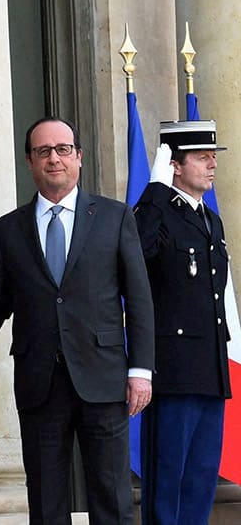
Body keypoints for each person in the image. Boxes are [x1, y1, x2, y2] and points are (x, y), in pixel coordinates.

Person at [0, 116, 155, 524]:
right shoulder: (6, 230)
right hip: (40, 383)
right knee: (46, 500)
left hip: (103, 379)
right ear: (29, 161)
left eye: (62, 150)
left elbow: (139, 297)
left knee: (112, 497)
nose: (54, 159)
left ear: (79, 158)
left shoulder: (114, 217)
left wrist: (141, 369)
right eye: (43, 152)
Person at [133, 120, 232, 524]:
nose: (211, 165)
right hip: (172, 370)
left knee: (201, 479)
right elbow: (135, 251)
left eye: (213, 157)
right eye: (202, 158)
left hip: (210, 368)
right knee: (168, 479)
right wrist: (155, 190)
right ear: (174, 165)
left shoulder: (210, 219)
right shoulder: (157, 213)